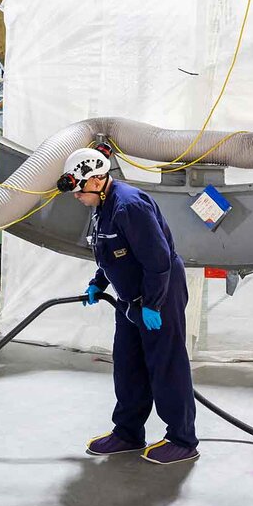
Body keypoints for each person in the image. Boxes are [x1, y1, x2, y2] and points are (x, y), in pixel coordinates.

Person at [57, 147, 199, 465]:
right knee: (127, 365)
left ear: (96, 179)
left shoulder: (129, 205)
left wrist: (153, 304)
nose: (77, 195)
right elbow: (110, 249)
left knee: (165, 365)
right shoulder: (102, 204)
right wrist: (99, 282)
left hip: (158, 295)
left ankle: (182, 439)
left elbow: (159, 260)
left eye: (79, 189)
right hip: (128, 299)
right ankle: (128, 432)